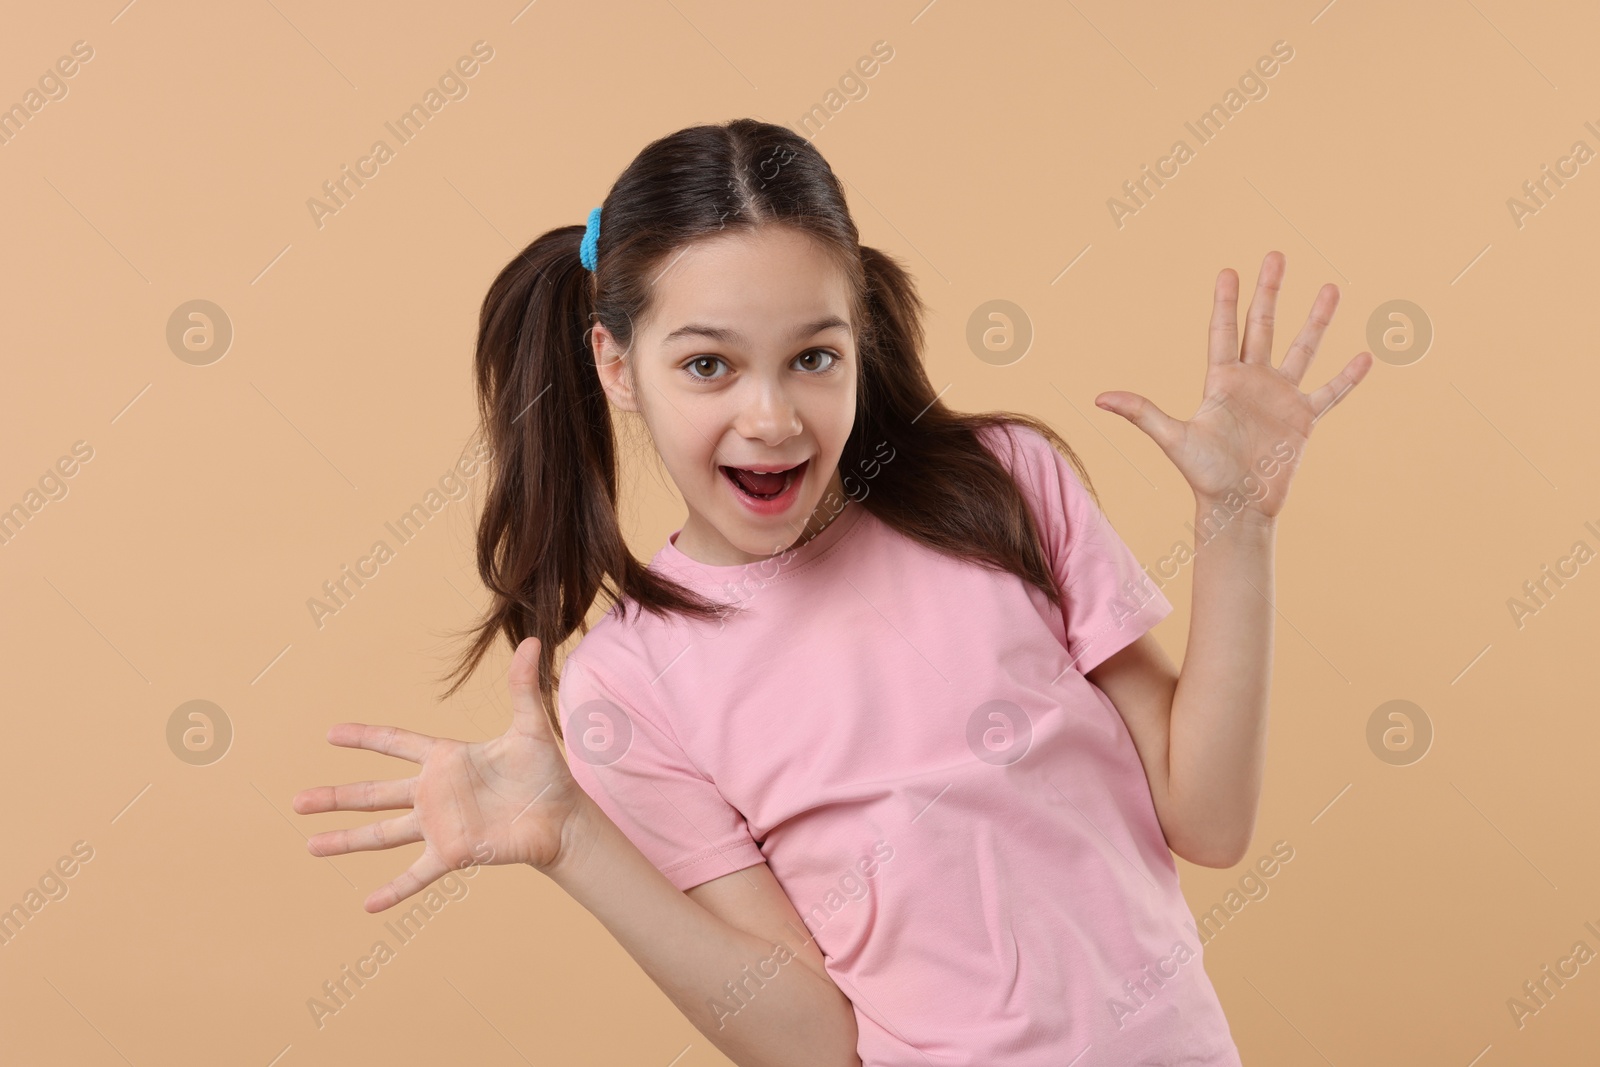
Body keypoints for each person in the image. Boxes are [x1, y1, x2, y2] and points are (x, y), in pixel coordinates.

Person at [293, 118, 1370, 1066]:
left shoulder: (1000, 486)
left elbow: (1210, 815)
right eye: (708, 366)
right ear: (617, 367)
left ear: (861, 337)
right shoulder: (630, 682)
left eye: (813, 356)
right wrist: (573, 838)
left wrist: (1239, 527)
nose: (771, 416)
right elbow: (814, 1041)